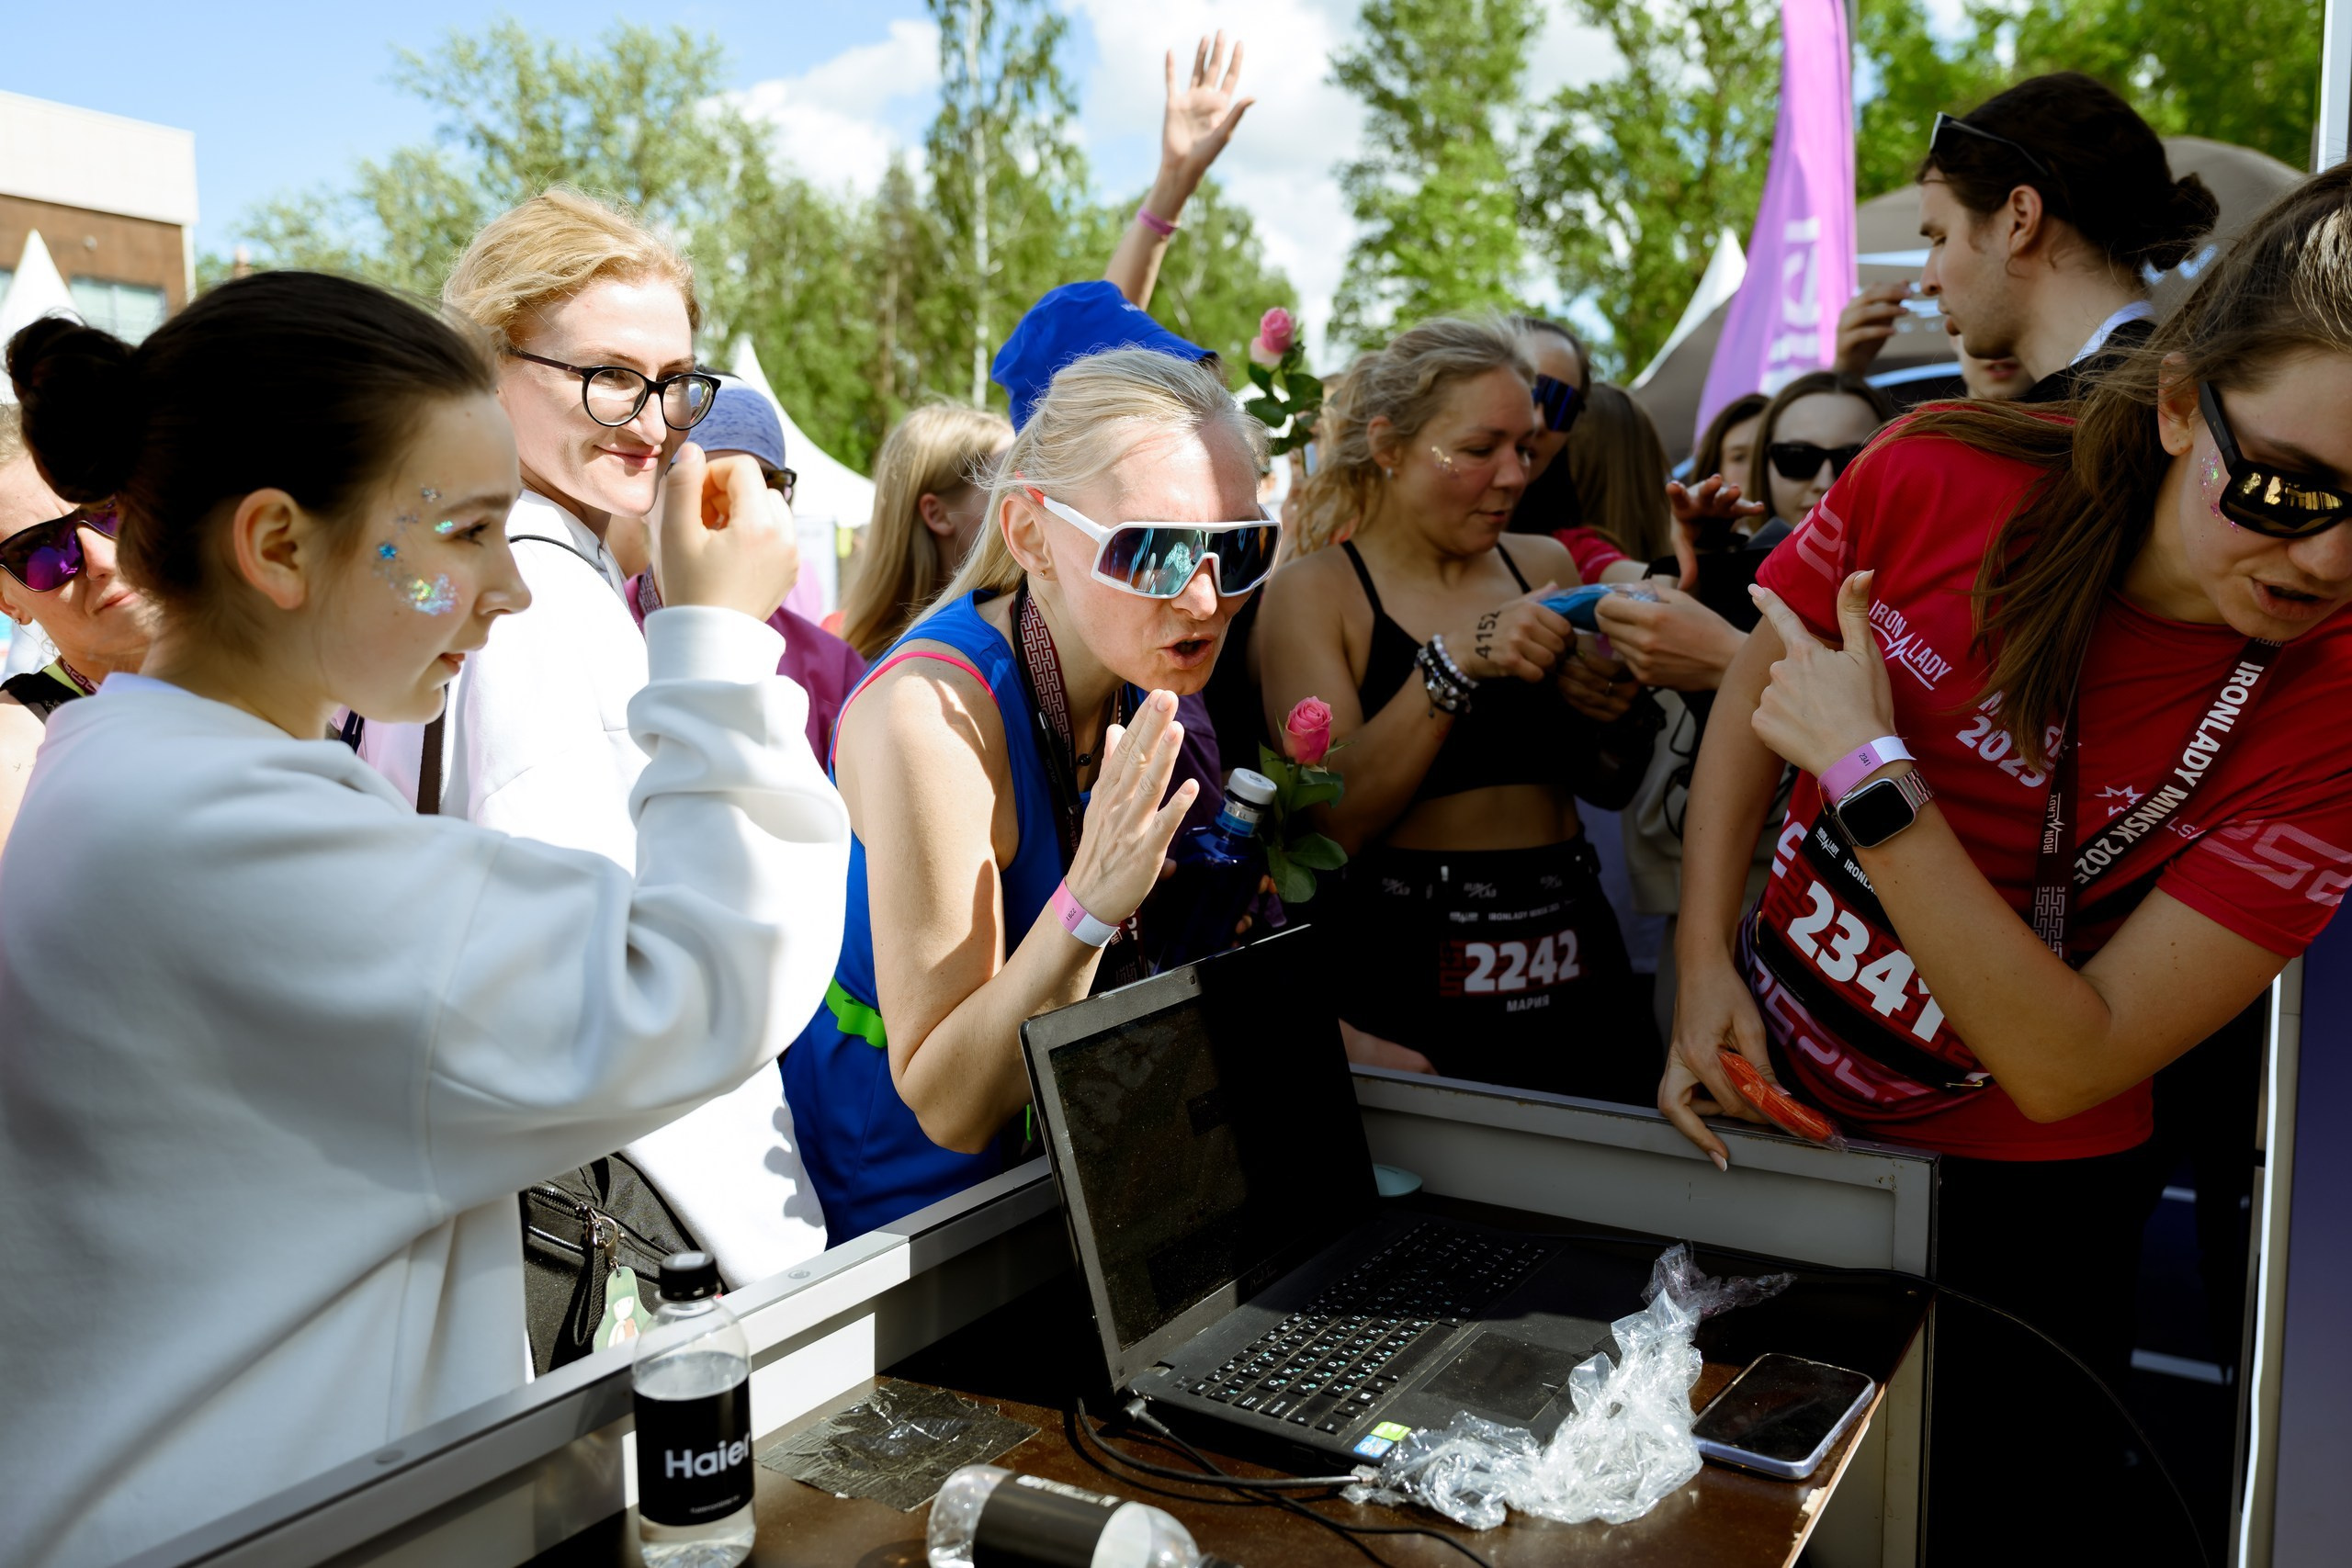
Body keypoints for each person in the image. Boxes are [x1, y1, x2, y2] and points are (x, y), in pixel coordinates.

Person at [0, 274, 846, 1568]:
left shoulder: (128, 768)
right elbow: (697, 980)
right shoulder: (227, 837)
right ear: (280, 544)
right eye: (463, 533)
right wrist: (715, 638)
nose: (507, 591)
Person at [1659, 165, 2352, 1558]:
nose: (2330, 559)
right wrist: (1696, 965)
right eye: (2288, 488)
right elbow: (1760, 680)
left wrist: (1872, 778)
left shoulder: (2333, 697)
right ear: (2176, 408)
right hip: (1778, 1104)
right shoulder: (1936, 467)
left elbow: (2069, 1060)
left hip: (2026, 1208)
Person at [358, 187, 831, 1295]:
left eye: (674, 382)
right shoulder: (533, 604)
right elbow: (606, 989)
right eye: (609, 376)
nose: (654, 419)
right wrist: (718, 639)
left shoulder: (458, 580)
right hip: (651, 1216)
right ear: (485, 364)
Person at [784, 349, 1271, 1242]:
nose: (1205, 598)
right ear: (1031, 536)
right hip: (908, 1236)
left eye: (1239, 548)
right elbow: (948, 1104)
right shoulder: (928, 718)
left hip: (1068, 1182)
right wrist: (1087, 907)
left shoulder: (1137, 664)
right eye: (1155, 551)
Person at [1256, 317, 1659, 1099]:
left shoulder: (1541, 562)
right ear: (1388, 445)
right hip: (1413, 963)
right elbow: (1333, 822)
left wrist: (1618, 708)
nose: (1514, 475)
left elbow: (1607, 784)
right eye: (1480, 450)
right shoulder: (1317, 593)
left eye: (1527, 448)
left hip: (1573, 942)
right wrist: (1453, 662)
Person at [1916, 72, 2215, 403]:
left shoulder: (2063, 435)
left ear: (2020, 219)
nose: (1927, 281)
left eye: (1941, 238)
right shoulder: (2201, 398)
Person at [628, 383, 868, 761]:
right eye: (706, 484)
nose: (738, 510)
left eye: (766, 484)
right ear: (647, 494)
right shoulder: (594, 630)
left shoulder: (833, 668)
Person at [0, 405, 154, 845]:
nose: (103, 559)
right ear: (8, 602)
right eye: (42, 551)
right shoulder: (19, 760)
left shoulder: (304, 661)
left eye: (111, 512)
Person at [838, 403, 1013, 660]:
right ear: (936, 514)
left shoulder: (1021, 629)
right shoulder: (884, 673)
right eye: (1000, 488)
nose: (1023, 503)